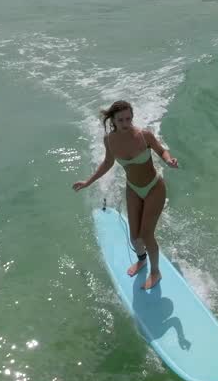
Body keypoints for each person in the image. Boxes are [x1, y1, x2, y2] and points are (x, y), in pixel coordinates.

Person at [73, 100, 179, 289]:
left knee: (147, 235)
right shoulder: (109, 140)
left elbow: (162, 151)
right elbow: (108, 163)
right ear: (113, 120)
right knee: (134, 238)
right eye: (121, 119)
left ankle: (155, 272)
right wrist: (88, 182)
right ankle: (142, 260)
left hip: (154, 188)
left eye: (128, 119)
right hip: (133, 189)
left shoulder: (144, 136)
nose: (125, 123)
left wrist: (169, 160)